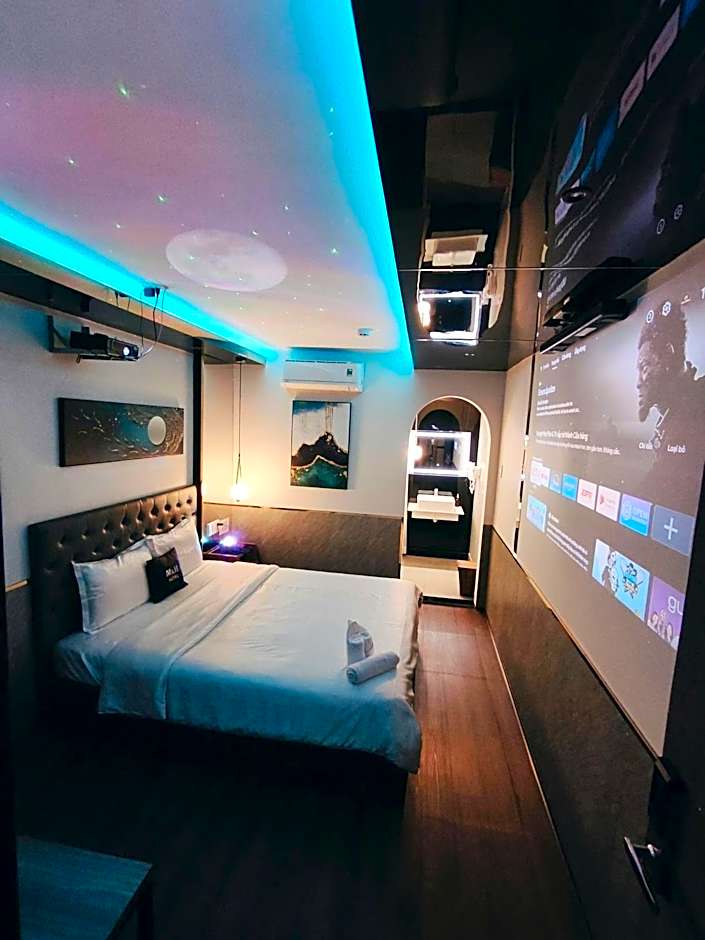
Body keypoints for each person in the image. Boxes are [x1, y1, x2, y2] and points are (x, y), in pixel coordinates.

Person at [636, 300, 705, 506]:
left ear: (668, 353)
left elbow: (659, 491)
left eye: (645, 366)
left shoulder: (696, 408)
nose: (639, 382)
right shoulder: (678, 411)